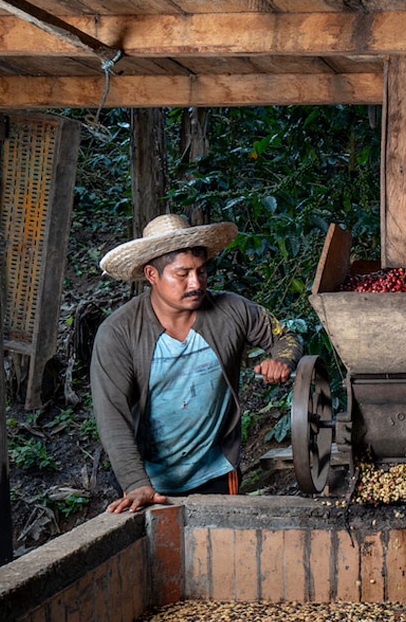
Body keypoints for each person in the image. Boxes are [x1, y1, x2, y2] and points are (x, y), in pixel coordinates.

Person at [91, 214, 301, 513]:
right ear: (152, 275)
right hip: (149, 482)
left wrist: (282, 359)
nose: (196, 283)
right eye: (182, 274)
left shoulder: (232, 310)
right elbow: (112, 414)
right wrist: (135, 482)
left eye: (201, 272)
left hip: (216, 472)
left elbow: (286, 336)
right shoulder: (118, 333)